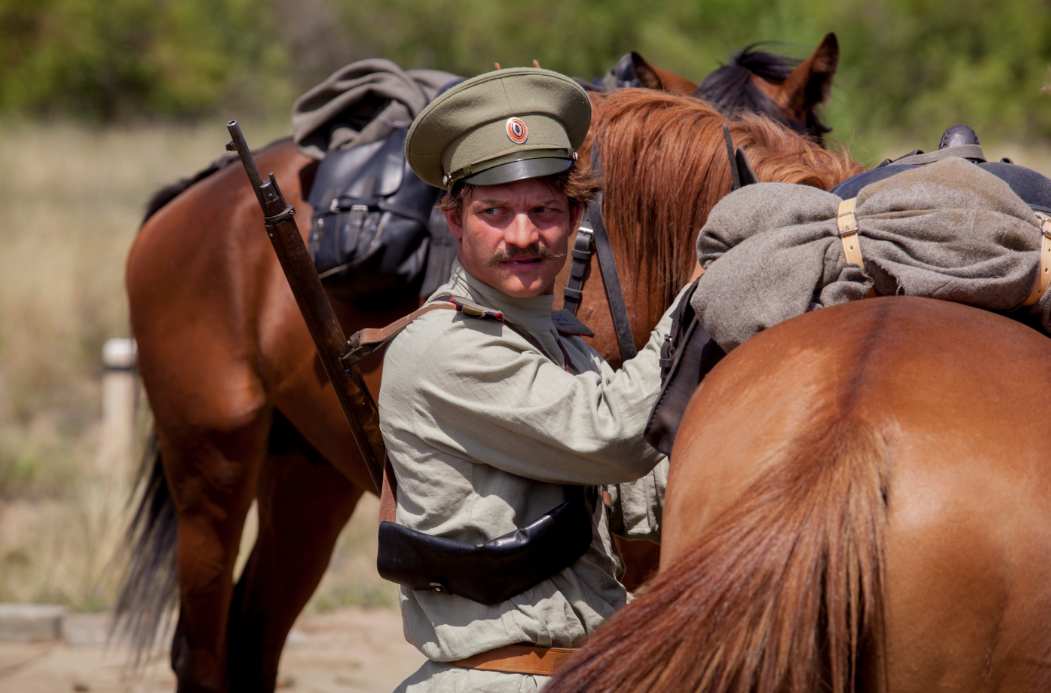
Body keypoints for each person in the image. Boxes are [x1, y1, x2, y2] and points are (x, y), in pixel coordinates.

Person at [379, 66, 695, 692]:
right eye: (494, 211)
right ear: (454, 219)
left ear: (575, 215)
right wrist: (701, 305)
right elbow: (612, 435)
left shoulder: (560, 343)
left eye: (544, 210)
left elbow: (640, 498)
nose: (522, 236)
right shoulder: (446, 347)